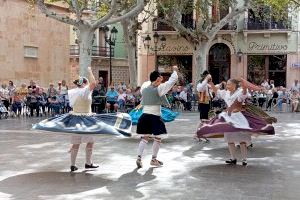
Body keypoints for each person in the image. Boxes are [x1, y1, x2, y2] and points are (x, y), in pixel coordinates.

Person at [33, 67, 132, 172]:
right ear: (84, 84)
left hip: (75, 119)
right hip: (86, 121)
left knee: (76, 143)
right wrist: (89, 71)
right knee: (90, 142)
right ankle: (88, 163)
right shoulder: (84, 91)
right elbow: (94, 83)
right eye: (87, 83)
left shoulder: (73, 92)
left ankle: (72, 165)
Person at [197, 78, 275, 166]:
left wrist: (245, 85)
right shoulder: (225, 93)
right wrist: (211, 83)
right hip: (229, 118)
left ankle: (244, 159)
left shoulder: (240, 92)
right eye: (227, 84)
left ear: (234, 85)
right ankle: (233, 158)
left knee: (242, 140)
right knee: (230, 140)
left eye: (229, 84)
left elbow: (244, 93)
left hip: (239, 117)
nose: (227, 86)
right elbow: (217, 92)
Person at [136, 65, 178, 168]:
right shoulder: (159, 88)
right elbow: (171, 82)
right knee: (158, 138)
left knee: (144, 138)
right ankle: (153, 159)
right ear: (157, 80)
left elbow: (150, 83)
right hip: (155, 116)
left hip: (145, 116)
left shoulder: (144, 88)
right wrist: (175, 71)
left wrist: (157, 79)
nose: (161, 81)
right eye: (160, 79)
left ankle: (138, 158)